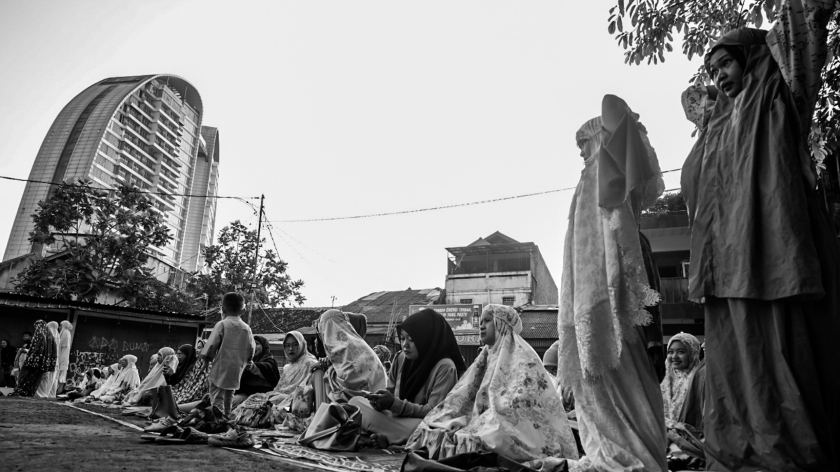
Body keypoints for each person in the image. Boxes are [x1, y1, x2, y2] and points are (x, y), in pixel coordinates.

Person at [679, 1, 840, 469]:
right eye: (712, 68)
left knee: (786, 356)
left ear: (752, 56)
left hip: (775, 252)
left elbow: (798, 24)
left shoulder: (780, 91)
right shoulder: (718, 126)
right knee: (737, 367)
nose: (719, 75)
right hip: (728, 265)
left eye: (725, 62)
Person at [558, 97, 668, 471]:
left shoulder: (602, 178)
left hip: (609, 302)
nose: (580, 152)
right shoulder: (595, 179)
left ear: (599, 139)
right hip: (595, 302)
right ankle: (624, 452)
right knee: (606, 385)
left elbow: (609, 248)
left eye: (583, 143)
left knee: (618, 375)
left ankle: (629, 453)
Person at [407, 305, 578, 466]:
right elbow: (465, 392)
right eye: (480, 321)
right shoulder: (486, 355)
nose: (481, 326)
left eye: (487, 320)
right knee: (438, 426)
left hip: (514, 424)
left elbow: (522, 401)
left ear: (501, 324)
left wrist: (491, 416)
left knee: (489, 437)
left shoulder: (525, 356)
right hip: (484, 417)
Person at [350, 309, 464, 448]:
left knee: (429, 431)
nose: (405, 345)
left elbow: (434, 412)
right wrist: (379, 401)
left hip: (419, 423)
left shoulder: (445, 367)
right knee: (355, 403)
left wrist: (394, 404)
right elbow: (390, 392)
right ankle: (392, 438)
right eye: (402, 338)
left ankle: (386, 438)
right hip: (395, 418)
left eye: (412, 339)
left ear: (426, 339)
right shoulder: (400, 358)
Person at [310, 309, 386, 406]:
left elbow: (349, 382)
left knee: (318, 374)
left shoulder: (355, 353)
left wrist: (327, 369)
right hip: (375, 408)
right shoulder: (361, 350)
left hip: (368, 409)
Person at [199, 292, 256, 417]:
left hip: (221, 365)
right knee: (229, 394)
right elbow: (251, 347)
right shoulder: (246, 328)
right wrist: (249, 360)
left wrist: (206, 360)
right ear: (244, 310)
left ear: (223, 309)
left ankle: (218, 417)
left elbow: (212, 345)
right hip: (237, 368)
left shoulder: (222, 324)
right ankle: (227, 416)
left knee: (216, 394)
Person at [660, 333, 702, 422]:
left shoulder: (699, 379)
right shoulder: (661, 377)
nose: (674, 356)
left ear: (693, 353)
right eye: (670, 352)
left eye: (681, 352)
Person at [231, 335, 280, 409]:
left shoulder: (270, 361)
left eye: (257, 344)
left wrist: (253, 367)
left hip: (264, 396)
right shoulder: (246, 361)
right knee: (231, 402)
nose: (254, 346)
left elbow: (267, 368)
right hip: (246, 394)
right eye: (252, 344)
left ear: (264, 346)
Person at [11, 321, 56, 397]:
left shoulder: (39, 335)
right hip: (44, 363)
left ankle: (27, 392)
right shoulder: (49, 336)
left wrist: (27, 353)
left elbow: (35, 349)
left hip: (34, 363)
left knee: (28, 377)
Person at [56, 321, 73, 394]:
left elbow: (60, 344)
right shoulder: (66, 332)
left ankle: (58, 391)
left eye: (60, 325)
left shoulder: (65, 333)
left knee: (60, 375)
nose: (59, 327)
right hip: (63, 357)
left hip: (62, 357)